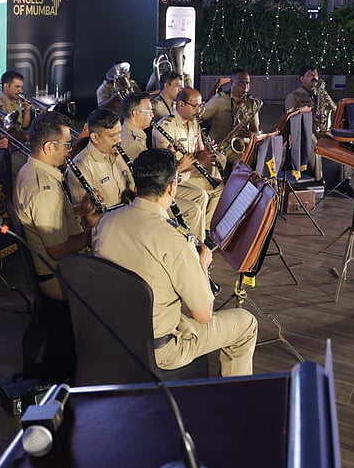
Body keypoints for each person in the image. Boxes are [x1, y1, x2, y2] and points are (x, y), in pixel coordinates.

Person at [92, 148, 257, 377]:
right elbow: (204, 315)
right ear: (171, 187)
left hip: (114, 334)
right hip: (159, 350)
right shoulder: (175, 240)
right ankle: (235, 403)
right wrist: (201, 265)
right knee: (246, 324)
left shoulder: (106, 222)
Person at [11, 110, 101, 383]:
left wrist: (79, 210)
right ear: (49, 146)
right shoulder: (43, 189)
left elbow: (50, 219)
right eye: (65, 144)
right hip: (59, 273)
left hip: (57, 262)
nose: (68, 150)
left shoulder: (34, 171)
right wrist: (93, 230)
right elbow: (58, 249)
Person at [121, 91, 207, 243]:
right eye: (149, 111)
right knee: (193, 209)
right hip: (146, 196)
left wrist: (169, 153)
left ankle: (196, 240)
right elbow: (148, 180)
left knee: (200, 195)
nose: (152, 115)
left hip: (156, 187)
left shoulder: (138, 134)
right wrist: (178, 167)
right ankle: (191, 250)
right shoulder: (131, 142)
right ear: (135, 113)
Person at [152, 87, 224, 242]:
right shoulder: (166, 126)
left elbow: (199, 152)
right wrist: (200, 161)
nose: (199, 110)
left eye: (200, 106)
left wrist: (208, 152)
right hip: (174, 179)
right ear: (181, 104)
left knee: (220, 187)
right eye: (195, 106)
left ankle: (205, 229)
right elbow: (168, 167)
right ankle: (197, 239)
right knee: (202, 195)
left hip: (190, 174)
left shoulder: (194, 123)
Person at [285, 65, 354, 198]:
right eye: (310, 74)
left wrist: (331, 103)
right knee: (312, 140)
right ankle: (320, 179)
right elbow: (290, 119)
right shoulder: (294, 96)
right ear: (302, 79)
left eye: (315, 74)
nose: (314, 76)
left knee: (347, 141)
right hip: (304, 133)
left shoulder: (321, 94)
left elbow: (337, 113)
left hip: (323, 130)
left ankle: (345, 180)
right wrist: (310, 117)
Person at [65, 108, 133, 218]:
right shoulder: (81, 166)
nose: (118, 140)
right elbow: (85, 217)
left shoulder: (119, 153)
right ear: (95, 137)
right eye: (112, 136)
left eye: (119, 133)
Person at [201, 68, 262, 164]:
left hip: (236, 147)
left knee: (241, 164)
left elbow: (256, 132)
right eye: (241, 83)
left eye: (247, 83)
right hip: (217, 146)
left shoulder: (252, 104)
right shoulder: (219, 100)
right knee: (220, 161)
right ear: (231, 83)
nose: (245, 87)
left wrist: (248, 134)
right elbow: (199, 117)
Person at [0, 70, 34, 175]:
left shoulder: (14, 101)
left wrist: (27, 110)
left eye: (21, 87)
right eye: (17, 87)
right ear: (6, 86)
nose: (20, 90)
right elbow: (12, 134)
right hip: (3, 152)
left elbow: (24, 125)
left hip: (16, 147)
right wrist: (32, 136)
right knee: (34, 163)